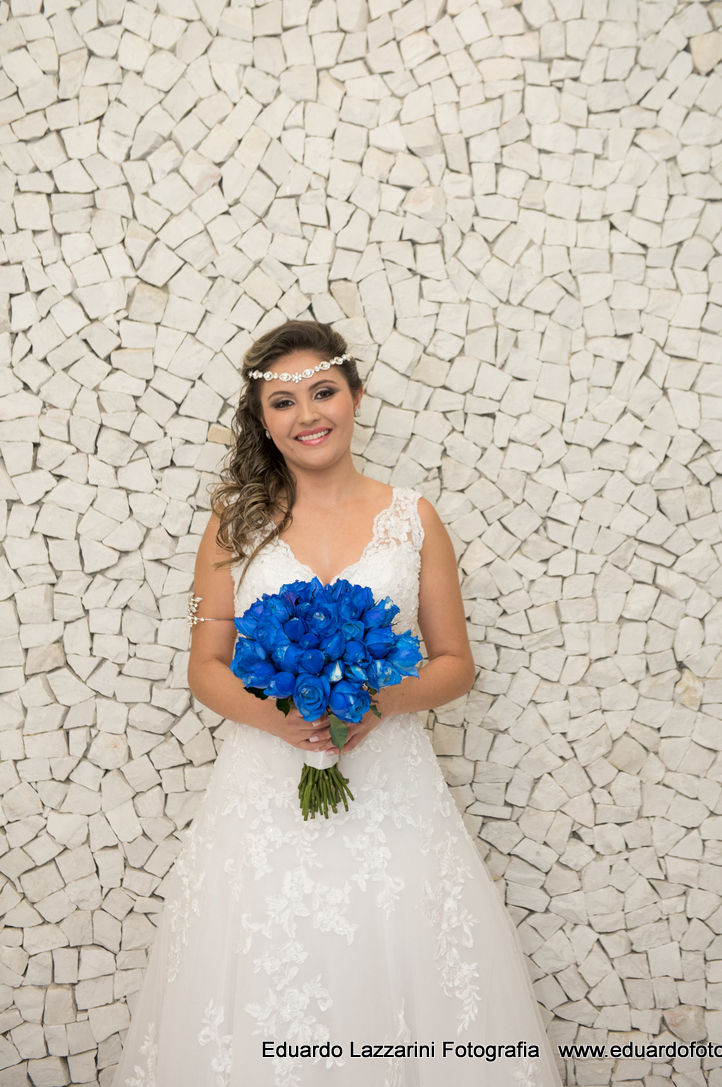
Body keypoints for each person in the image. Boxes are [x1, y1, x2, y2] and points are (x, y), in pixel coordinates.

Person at [111, 319, 564, 1087]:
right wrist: (280, 718)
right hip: (263, 789)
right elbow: (206, 665)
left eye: (323, 392)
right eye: (283, 402)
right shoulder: (233, 524)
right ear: (262, 420)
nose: (307, 414)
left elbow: (455, 665)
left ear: (356, 397)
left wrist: (377, 702)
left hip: (391, 788)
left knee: (401, 964)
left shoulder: (412, 517)